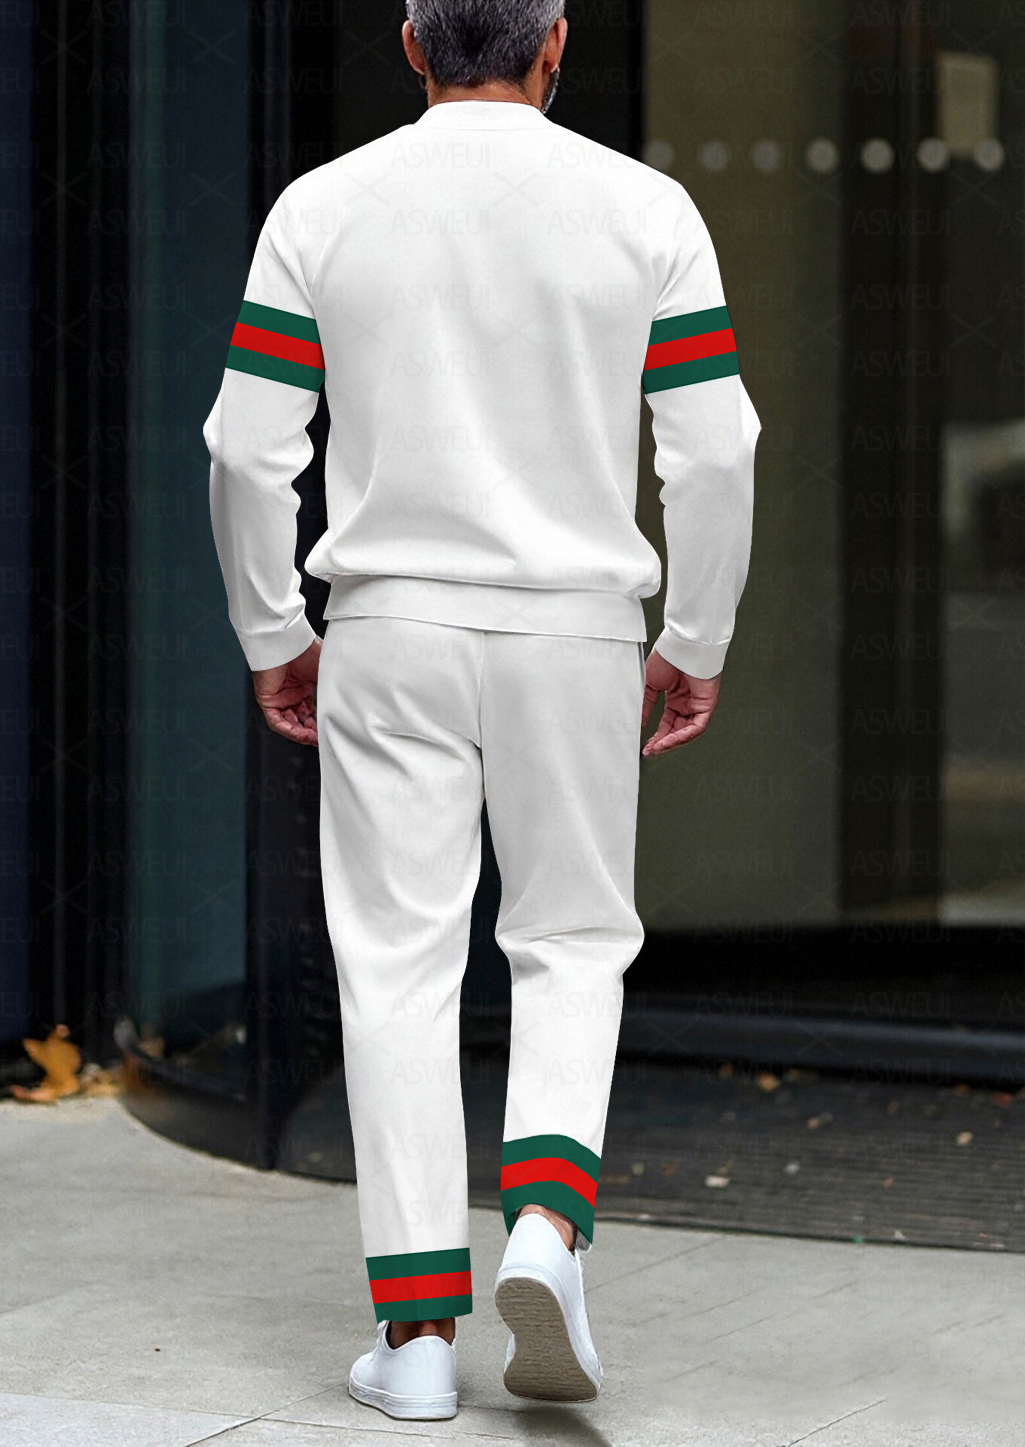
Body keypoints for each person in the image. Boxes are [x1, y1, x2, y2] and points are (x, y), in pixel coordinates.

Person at [204, 0, 759, 1421]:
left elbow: (247, 447)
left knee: (395, 961)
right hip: (577, 631)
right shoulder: (645, 208)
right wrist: (693, 635)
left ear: (411, 44)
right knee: (569, 940)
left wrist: (275, 630)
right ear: (554, 41)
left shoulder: (322, 205)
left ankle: (412, 1341)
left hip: (387, 628)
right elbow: (713, 449)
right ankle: (547, 1230)